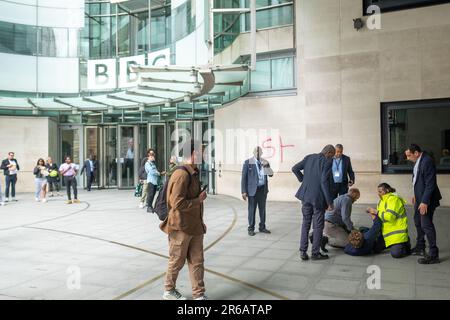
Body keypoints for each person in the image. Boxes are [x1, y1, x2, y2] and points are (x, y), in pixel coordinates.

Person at [160, 140, 207, 300]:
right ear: (193, 154)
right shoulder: (181, 174)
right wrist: (198, 200)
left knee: (197, 261)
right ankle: (169, 290)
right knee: (177, 261)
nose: (204, 154)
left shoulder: (194, 172)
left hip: (194, 226)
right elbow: (177, 202)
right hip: (180, 227)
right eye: (202, 151)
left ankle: (199, 294)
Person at [292, 145, 335, 261]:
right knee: (318, 226)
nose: (333, 158)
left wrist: (302, 179)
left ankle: (303, 251)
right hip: (318, 198)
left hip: (305, 196)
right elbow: (324, 182)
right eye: (333, 155)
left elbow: (294, 168)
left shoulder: (309, 157)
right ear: (329, 153)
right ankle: (315, 253)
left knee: (305, 223)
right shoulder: (327, 162)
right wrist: (330, 202)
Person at [405, 144, 442, 264]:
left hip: (427, 200)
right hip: (419, 197)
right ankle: (420, 246)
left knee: (426, 224)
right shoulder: (418, 160)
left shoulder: (427, 161)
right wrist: (415, 195)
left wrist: (425, 202)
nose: (408, 158)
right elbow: (417, 179)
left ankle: (433, 254)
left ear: (416, 153)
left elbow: (430, 183)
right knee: (417, 220)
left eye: (409, 155)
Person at [366, 183, 411, 259]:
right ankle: (391, 244)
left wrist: (376, 212)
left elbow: (390, 217)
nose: (378, 193)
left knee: (396, 254)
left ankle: (405, 243)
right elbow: (381, 216)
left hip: (397, 234)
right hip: (385, 233)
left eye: (380, 191)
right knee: (375, 249)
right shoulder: (381, 201)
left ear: (387, 190)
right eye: (378, 191)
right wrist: (372, 214)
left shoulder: (394, 199)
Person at [241, 146, 274, 236]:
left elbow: (271, 174)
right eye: (256, 152)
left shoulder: (264, 162)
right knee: (252, 210)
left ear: (262, 153)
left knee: (262, 210)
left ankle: (262, 227)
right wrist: (243, 191)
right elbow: (244, 178)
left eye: (259, 152)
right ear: (253, 152)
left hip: (262, 189)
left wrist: (266, 166)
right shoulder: (248, 162)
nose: (258, 153)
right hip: (252, 191)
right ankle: (251, 228)